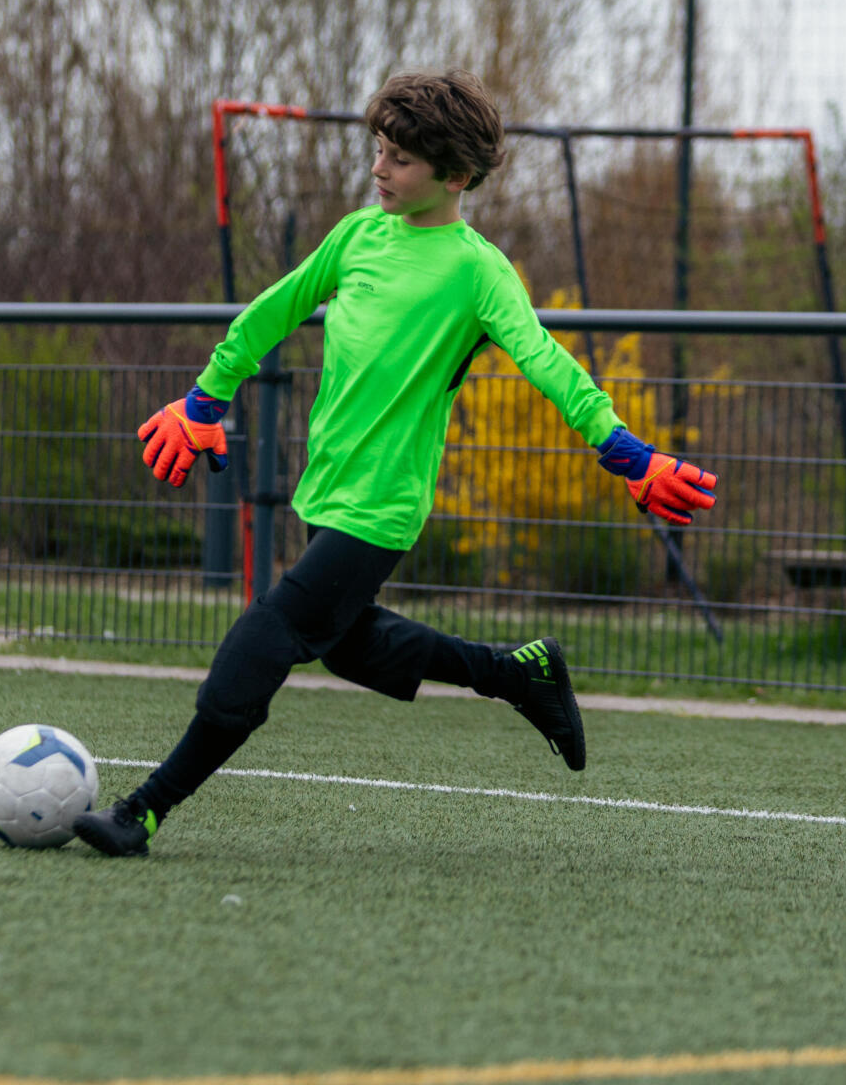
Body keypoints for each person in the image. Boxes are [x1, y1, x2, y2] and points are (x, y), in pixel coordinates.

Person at [73, 69, 716, 857]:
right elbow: (269, 314)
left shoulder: (478, 271)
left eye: (401, 160)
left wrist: (628, 454)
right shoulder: (356, 237)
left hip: (383, 507)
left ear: (455, 175)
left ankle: (142, 810)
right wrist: (205, 402)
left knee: (268, 635)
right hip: (327, 489)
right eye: (379, 151)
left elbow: (549, 363)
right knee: (348, 646)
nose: (380, 169)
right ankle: (518, 675)